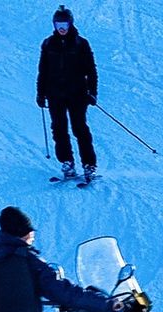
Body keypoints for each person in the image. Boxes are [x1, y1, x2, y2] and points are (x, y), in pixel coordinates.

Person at [36, 5, 99, 183]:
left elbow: (91, 71)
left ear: (71, 24)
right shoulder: (48, 44)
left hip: (77, 94)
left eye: (64, 24)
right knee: (59, 129)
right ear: (54, 25)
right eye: (58, 24)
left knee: (80, 128)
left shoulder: (81, 43)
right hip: (55, 94)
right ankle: (67, 162)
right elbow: (43, 71)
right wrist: (40, 93)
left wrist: (92, 92)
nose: (62, 28)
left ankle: (89, 164)